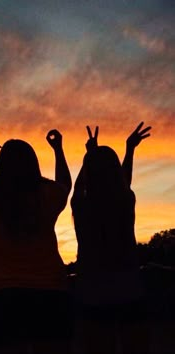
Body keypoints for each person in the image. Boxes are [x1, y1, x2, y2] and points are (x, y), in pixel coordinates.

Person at [0, 126, 72, 354]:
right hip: (50, 293)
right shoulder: (47, 194)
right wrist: (58, 150)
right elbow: (65, 185)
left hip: (2, 295)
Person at [71, 122, 151, 354]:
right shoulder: (126, 201)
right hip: (128, 284)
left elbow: (79, 186)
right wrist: (130, 149)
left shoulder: (81, 206)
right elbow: (121, 183)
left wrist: (90, 156)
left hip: (92, 288)